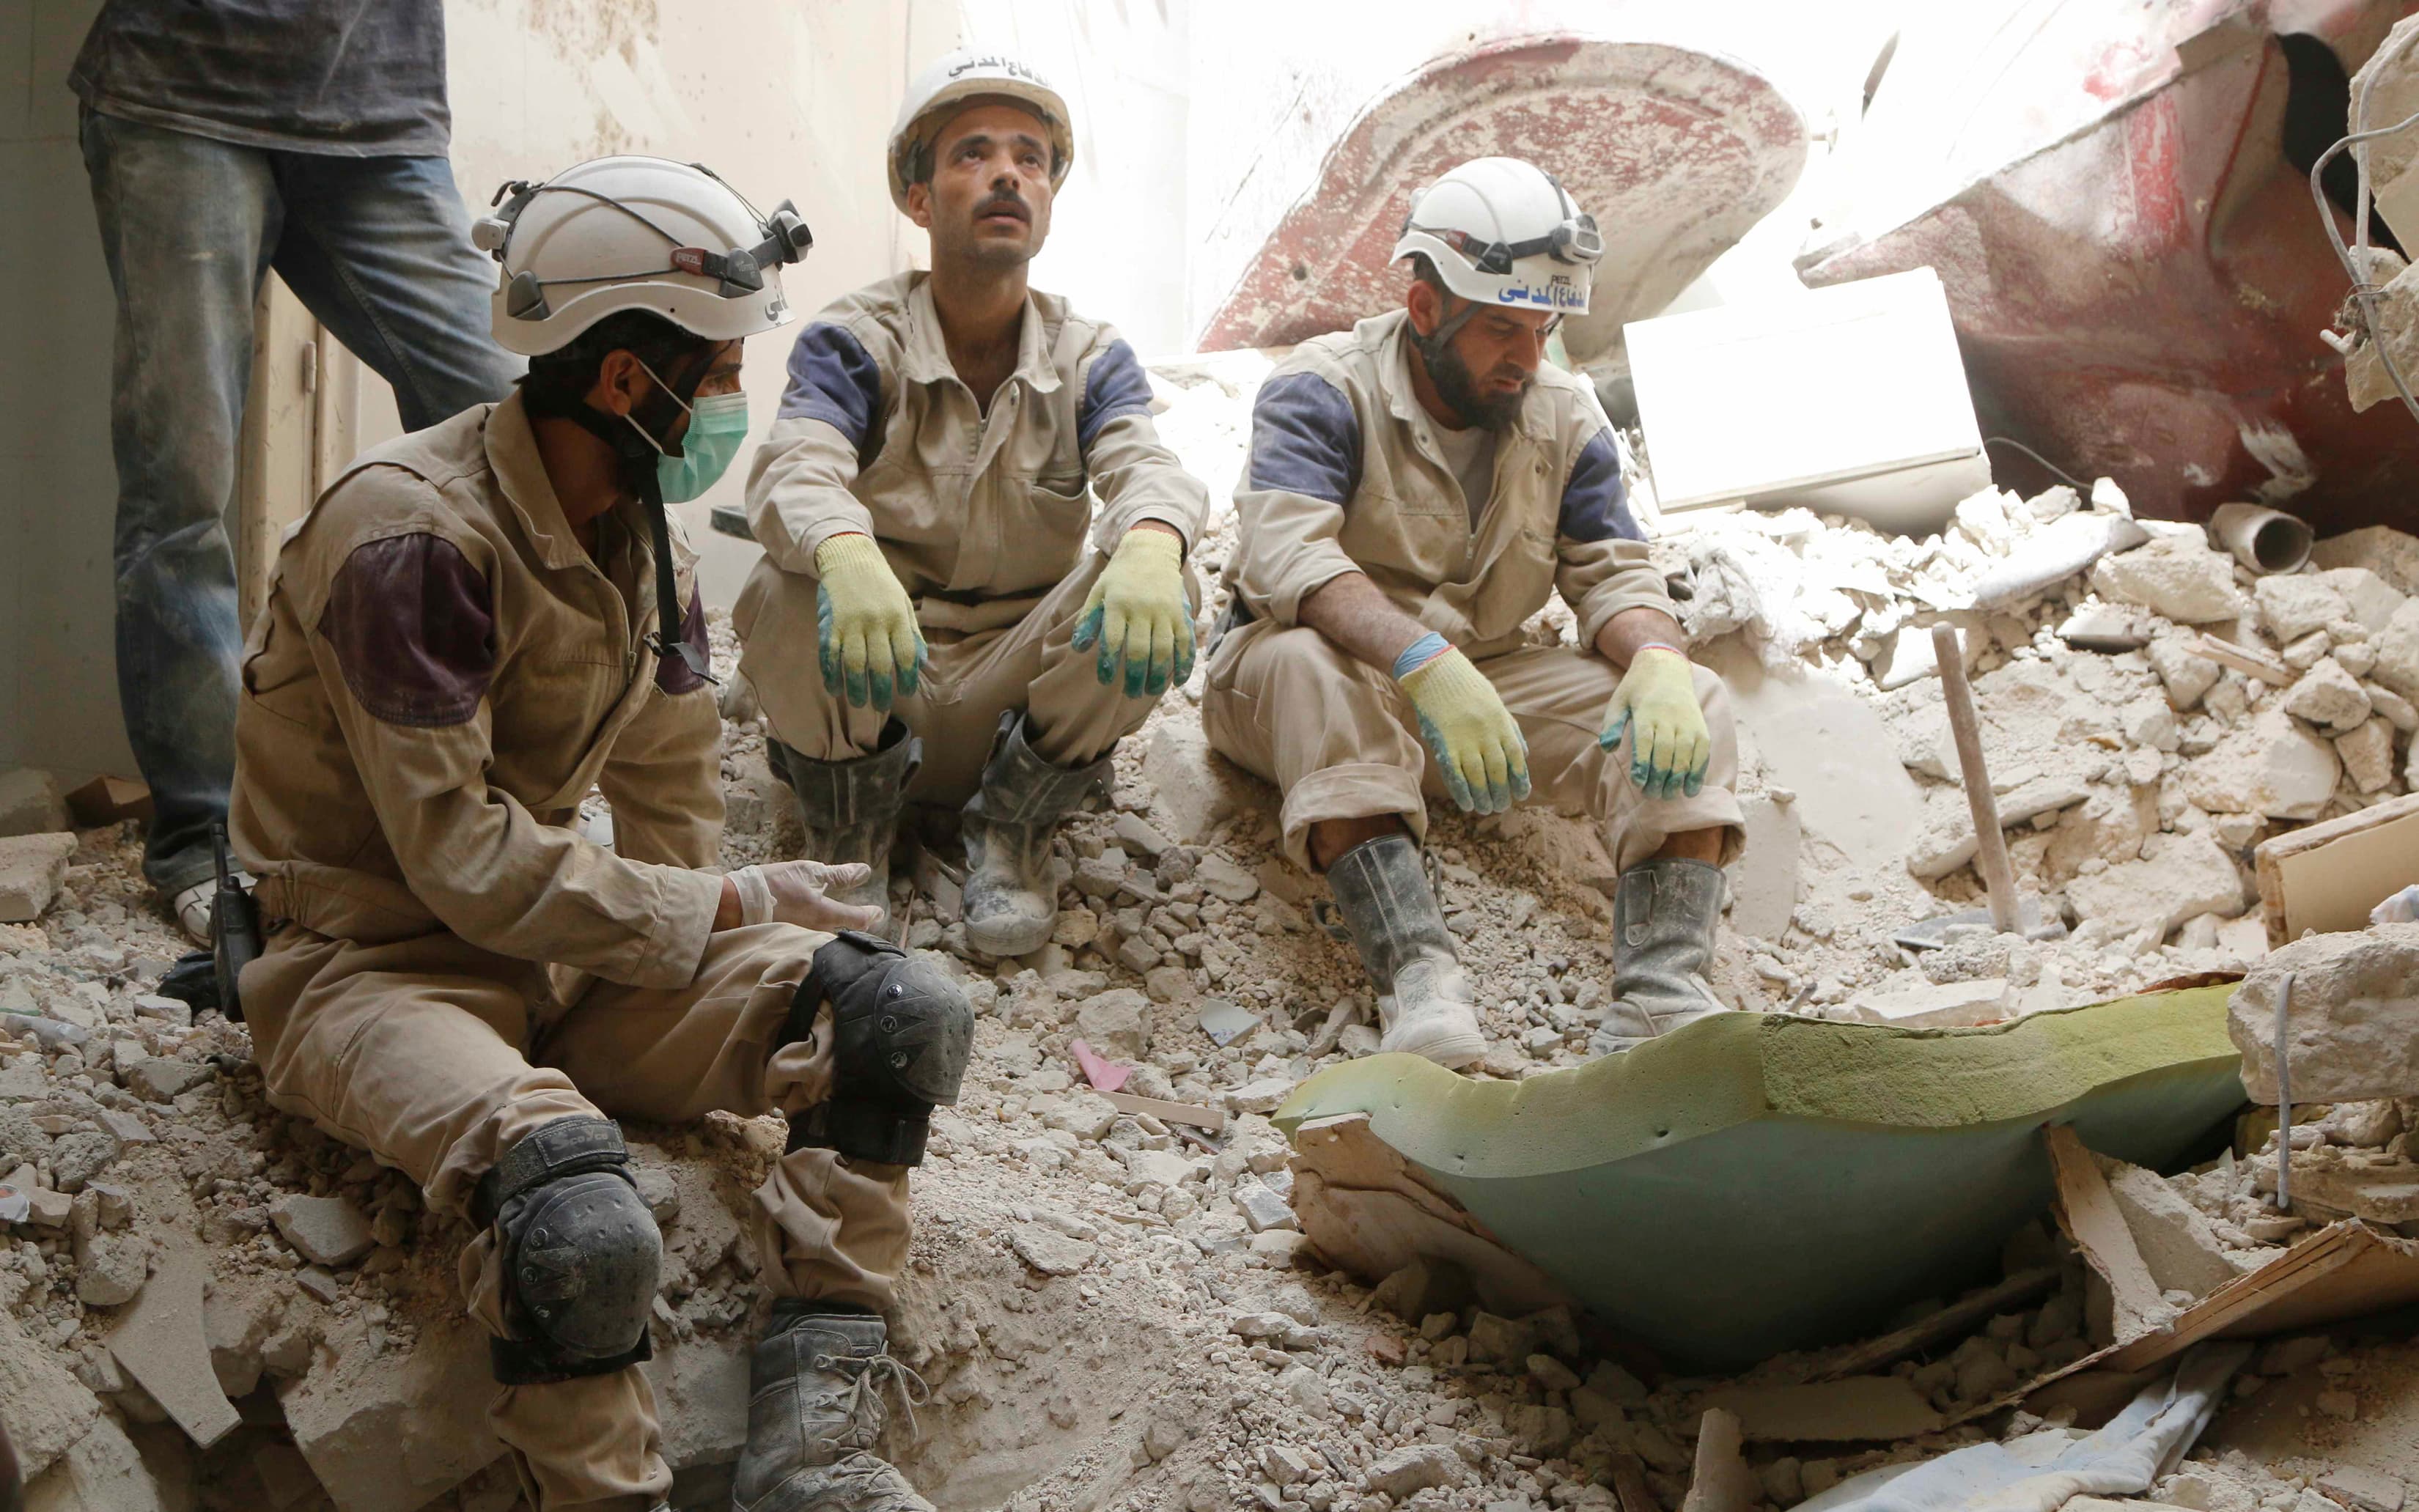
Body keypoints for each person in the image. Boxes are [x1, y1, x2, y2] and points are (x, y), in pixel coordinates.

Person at [229, 156, 964, 1512]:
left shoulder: (635, 532)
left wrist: (720, 944)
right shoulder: (411, 539)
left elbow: (674, 776)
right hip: (373, 969)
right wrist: (730, 909)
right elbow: (458, 858)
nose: (736, 403)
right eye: (726, 367)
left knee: (892, 1009)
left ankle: (816, 1447)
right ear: (632, 382)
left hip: (556, 958)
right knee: (580, 1216)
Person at [1201, 157, 1747, 1069]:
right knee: (1307, 663)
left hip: (1473, 698)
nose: (1528, 358)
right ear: (1425, 311)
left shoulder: (1564, 417)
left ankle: (1660, 991)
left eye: (1545, 328)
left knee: (1695, 694)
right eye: (1501, 328)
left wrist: (1653, 657)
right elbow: (1286, 553)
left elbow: (1614, 571)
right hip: (1298, 685)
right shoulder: (1323, 387)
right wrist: (1420, 657)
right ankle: (1418, 977)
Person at [69, 0, 524, 943]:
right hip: (178, 90)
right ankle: (206, 839)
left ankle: (505, 795)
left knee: (511, 427)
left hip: (379, 111)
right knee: (181, 485)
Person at [737, 50, 1210, 951]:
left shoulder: (1088, 354)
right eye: (972, 154)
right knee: (785, 579)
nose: (1007, 175)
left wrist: (1154, 537)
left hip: (1017, 698)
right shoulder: (854, 339)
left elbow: (1144, 461)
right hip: (878, 674)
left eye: (1031, 159)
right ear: (919, 200)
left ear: (1048, 201)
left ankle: (1015, 829)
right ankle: (850, 834)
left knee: (1159, 579)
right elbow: (795, 464)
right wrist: (845, 549)